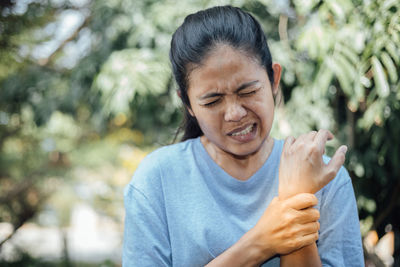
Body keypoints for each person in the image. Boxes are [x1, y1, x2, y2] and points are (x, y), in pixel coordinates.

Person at [123, 5, 364, 267]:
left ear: (274, 79)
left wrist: (297, 198)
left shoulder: (326, 179)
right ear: (189, 105)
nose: (235, 113)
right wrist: (261, 242)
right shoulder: (156, 180)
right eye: (213, 101)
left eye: (248, 92)